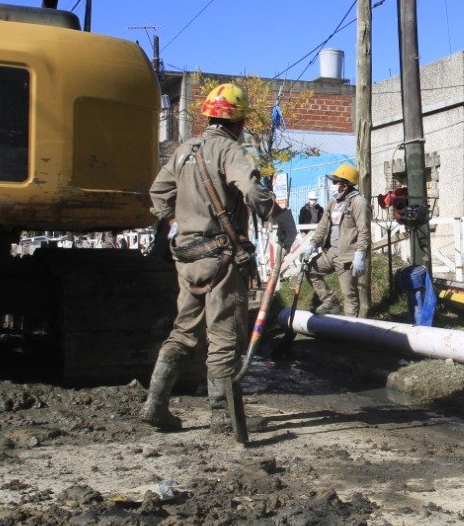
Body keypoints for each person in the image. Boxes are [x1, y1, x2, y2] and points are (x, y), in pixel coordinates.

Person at [139, 83, 297, 436]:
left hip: (187, 257)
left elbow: (158, 194)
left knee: (183, 330)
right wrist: (279, 216)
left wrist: (176, 223)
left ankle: (155, 404)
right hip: (221, 256)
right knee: (224, 333)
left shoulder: (183, 151)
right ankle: (224, 416)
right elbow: (253, 189)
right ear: (238, 121)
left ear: (209, 115)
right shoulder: (229, 150)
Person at [300, 163, 370, 317]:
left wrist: (360, 253)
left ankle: (350, 330)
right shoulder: (334, 202)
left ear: (345, 185)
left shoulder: (359, 202)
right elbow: (323, 227)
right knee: (310, 269)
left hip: (348, 257)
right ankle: (330, 301)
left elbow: (364, 231)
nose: (332, 185)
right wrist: (312, 245)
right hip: (331, 253)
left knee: (349, 295)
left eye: (335, 182)